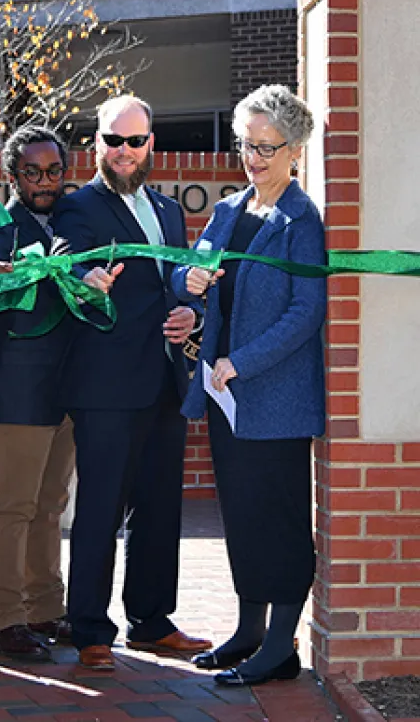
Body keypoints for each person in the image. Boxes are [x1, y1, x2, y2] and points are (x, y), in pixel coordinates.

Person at [51, 95, 212, 670]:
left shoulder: (168, 211)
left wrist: (190, 311)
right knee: (100, 508)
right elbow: (67, 258)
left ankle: (151, 621)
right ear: (95, 143)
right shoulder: (79, 207)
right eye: (112, 141)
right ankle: (89, 627)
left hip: (165, 379)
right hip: (107, 385)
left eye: (134, 141)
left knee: (159, 507)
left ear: (151, 143)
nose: (123, 152)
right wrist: (86, 276)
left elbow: (177, 283)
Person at [173, 84, 325, 687]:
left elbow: (306, 311)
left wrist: (244, 361)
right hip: (227, 398)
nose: (254, 158)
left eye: (266, 147)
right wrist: (193, 281)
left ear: (295, 150)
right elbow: (191, 270)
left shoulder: (300, 219)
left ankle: (280, 649)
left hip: (274, 397)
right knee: (240, 513)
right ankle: (249, 631)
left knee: (278, 519)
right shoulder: (230, 211)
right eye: (246, 145)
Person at [0, 126, 76, 662]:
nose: (43, 182)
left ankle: (45, 610)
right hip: (18, 390)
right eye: (31, 173)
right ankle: (7, 619)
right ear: (13, 175)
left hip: (69, 390)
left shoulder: (76, 221)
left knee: (52, 506)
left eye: (53, 171)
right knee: (14, 507)